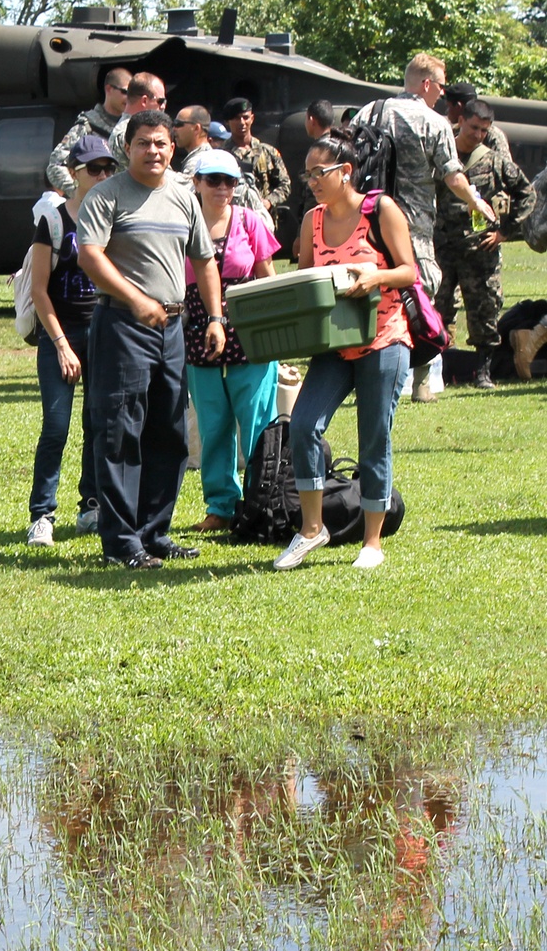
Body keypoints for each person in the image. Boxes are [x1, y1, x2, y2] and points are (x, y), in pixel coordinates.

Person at [78, 109, 225, 569]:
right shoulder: (107, 196)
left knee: (171, 432)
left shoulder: (183, 197)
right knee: (122, 433)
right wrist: (136, 299)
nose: (153, 151)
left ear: (172, 147)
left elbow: (204, 260)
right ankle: (122, 542)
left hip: (174, 329)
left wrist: (216, 318)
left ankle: (153, 532)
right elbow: (90, 256)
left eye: (161, 143)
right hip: (123, 325)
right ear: (129, 148)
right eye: (144, 143)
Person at [275, 128, 417, 571]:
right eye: (308, 174)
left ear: (346, 171)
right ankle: (312, 529)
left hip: (384, 337)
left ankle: (372, 542)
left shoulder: (381, 209)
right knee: (303, 425)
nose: (313, 180)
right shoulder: (311, 220)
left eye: (321, 171)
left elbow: (410, 272)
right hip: (333, 345)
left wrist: (374, 277)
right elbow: (304, 280)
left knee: (374, 436)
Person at [351, 54, 496, 402]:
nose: (443, 96)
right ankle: (419, 382)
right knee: (421, 294)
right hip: (411, 224)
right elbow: (452, 174)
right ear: (426, 84)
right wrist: (477, 202)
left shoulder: (367, 111)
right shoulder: (434, 122)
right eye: (441, 87)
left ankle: (364, 375)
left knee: (366, 294)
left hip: (366, 220)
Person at [27, 136, 117, 546]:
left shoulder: (114, 217)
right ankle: (42, 514)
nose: (101, 176)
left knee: (98, 423)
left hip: (104, 330)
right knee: (56, 426)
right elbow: (39, 291)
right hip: (60, 332)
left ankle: (91, 504)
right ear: (74, 173)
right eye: (93, 169)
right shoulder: (55, 221)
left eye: (107, 169)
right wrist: (62, 344)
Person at [184, 151, 280, 533]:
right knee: (213, 425)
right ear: (197, 183)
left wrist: (276, 336)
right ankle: (220, 507)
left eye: (229, 181)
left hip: (250, 335)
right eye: (213, 180)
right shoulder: (183, 223)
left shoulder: (249, 221)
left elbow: (269, 280)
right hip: (197, 334)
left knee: (257, 424)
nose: (222, 188)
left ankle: (262, 502)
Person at [434, 100, 535, 389]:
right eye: (473, 127)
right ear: (461, 121)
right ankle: (437, 367)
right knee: (436, 310)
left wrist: (505, 231)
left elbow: (526, 194)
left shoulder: (493, 160)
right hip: (442, 247)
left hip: (480, 249)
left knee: (484, 310)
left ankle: (482, 371)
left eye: (483, 130)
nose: (477, 135)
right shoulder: (442, 154)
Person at [45, 67, 130, 197]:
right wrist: (80, 192)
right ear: (109, 89)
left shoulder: (131, 126)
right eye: (125, 92)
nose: (128, 98)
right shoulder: (88, 125)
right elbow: (56, 166)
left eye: (132, 94)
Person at [222, 97, 291, 225]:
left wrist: (269, 202)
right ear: (228, 122)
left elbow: (285, 184)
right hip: (232, 223)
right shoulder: (222, 155)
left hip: (263, 222)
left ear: (252, 118)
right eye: (236, 118)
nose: (242, 122)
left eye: (245, 117)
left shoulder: (268, 152)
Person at [294, 100, 336, 256]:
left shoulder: (319, 152)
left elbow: (312, 199)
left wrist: (301, 235)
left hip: (321, 223)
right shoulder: (338, 146)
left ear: (311, 120)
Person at [108, 72, 167, 171]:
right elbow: (161, 174)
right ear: (144, 101)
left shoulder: (127, 129)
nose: (163, 106)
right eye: (160, 101)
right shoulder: (129, 132)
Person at [443, 83, 512, 158]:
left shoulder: (493, 136)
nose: (478, 135)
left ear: (458, 107)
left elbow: (504, 165)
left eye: (449, 107)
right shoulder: (452, 132)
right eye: (474, 128)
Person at [173, 105, 213, 176]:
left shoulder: (196, 164)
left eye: (178, 124)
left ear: (196, 128)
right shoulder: (209, 156)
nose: (174, 129)